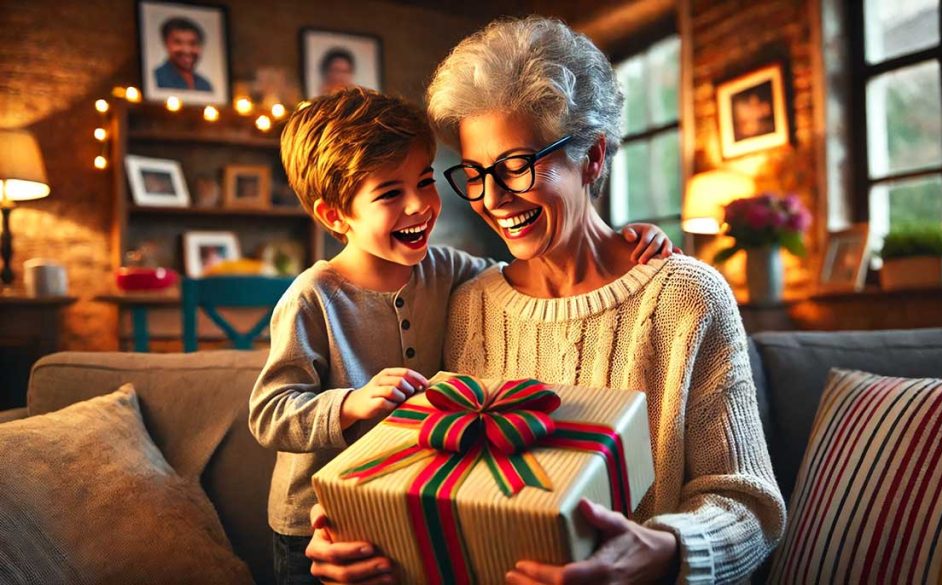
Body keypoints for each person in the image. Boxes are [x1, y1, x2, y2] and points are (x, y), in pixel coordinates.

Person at [305, 17, 786, 585]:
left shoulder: (686, 297)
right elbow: (448, 479)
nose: (493, 198)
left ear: (593, 156)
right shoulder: (472, 304)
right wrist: (363, 532)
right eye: (476, 173)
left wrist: (660, 552)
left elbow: (748, 506)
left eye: (517, 165)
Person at [249, 86, 677, 585]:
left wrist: (625, 239)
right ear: (334, 215)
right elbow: (268, 412)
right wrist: (349, 404)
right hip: (315, 524)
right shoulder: (312, 298)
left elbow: (527, 273)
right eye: (390, 193)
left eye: (425, 182)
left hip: (406, 501)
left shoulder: (447, 269)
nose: (420, 206)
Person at [153, 17, 212, 91]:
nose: (186, 50)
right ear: (166, 44)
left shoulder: (204, 85)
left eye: (192, 43)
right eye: (178, 43)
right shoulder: (156, 78)